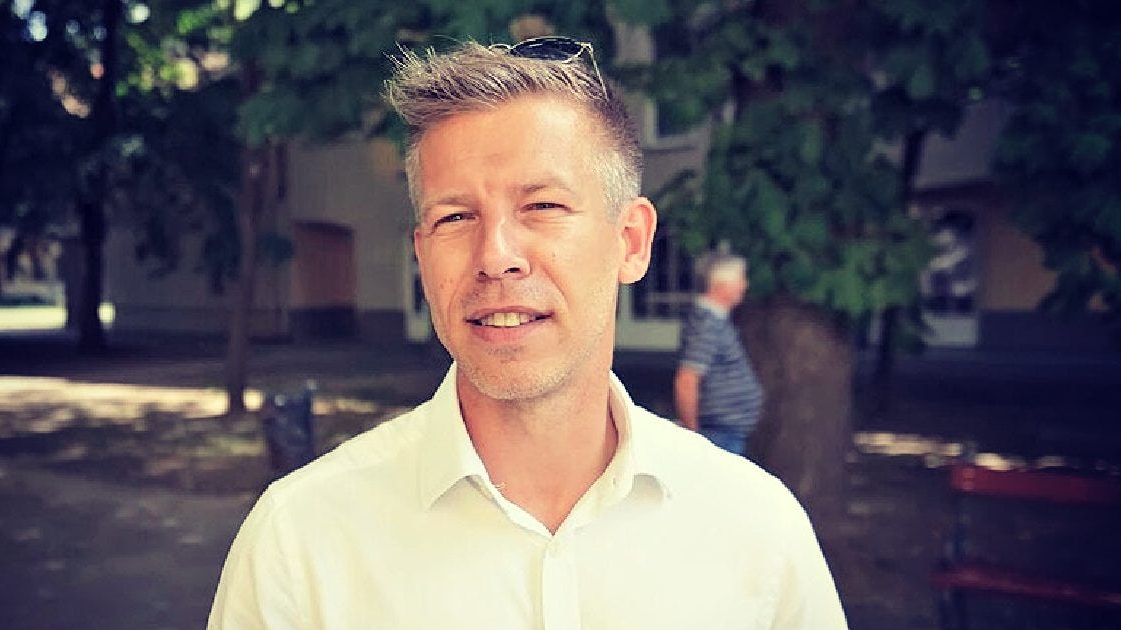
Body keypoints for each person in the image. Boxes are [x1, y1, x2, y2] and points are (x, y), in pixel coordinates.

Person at [208, 37, 847, 629]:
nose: (496, 255)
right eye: (456, 216)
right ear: (423, 256)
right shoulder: (299, 544)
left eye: (542, 206)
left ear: (630, 242)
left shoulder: (759, 532)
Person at [674, 251, 764, 454]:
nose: (744, 286)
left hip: (724, 433)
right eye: (740, 280)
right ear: (721, 284)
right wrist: (692, 432)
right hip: (715, 435)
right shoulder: (706, 324)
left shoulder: (714, 320)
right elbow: (687, 379)